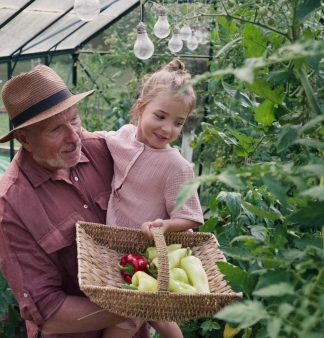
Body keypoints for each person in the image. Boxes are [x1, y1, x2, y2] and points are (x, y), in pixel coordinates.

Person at [0, 64, 150, 338]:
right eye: (56, 129)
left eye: (74, 119)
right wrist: (139, 306)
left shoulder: (101, 150)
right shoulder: (12, 207)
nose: (75, 137)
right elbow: (48, 314)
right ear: (24, 139)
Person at [100, 59, 204, 338]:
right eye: (160, 116)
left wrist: (165, 225)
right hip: (118, 250)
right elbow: (99, 138)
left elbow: (192, 215)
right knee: (156, 313)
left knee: (123, 322)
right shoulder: (123, 137)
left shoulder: (176, 166)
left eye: (178, 122)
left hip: (150, 256)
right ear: (140, 108)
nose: (167, 129)